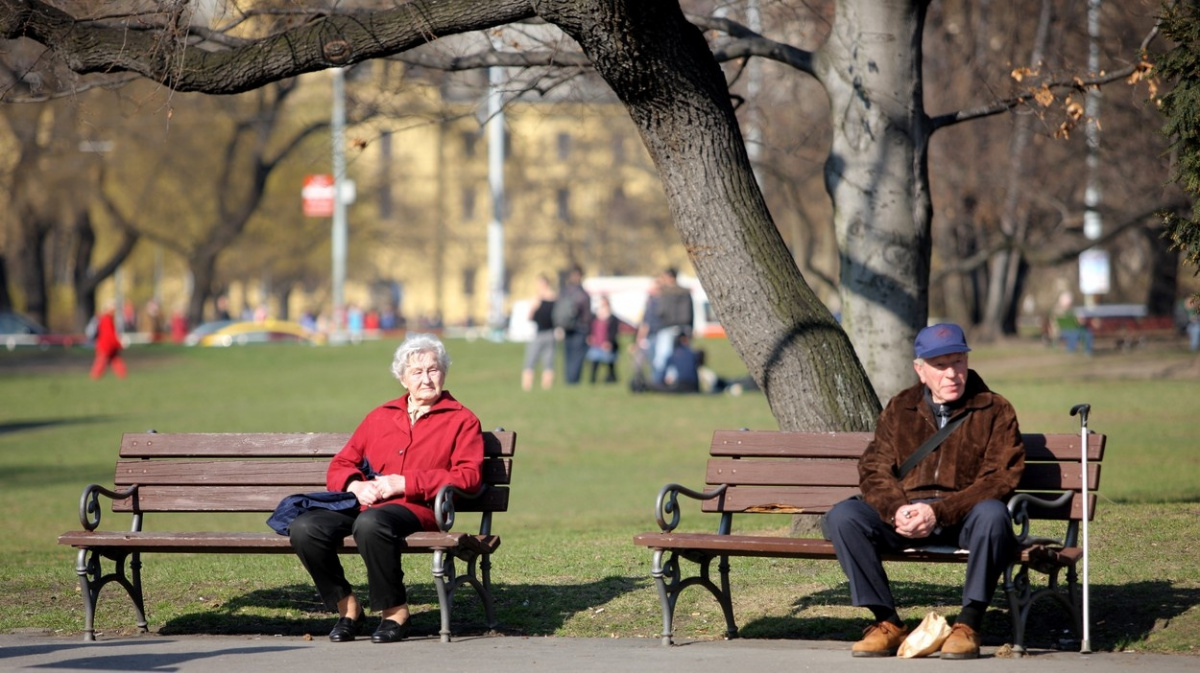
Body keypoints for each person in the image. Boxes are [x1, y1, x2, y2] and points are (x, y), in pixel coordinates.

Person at [822, 323, 1024, 659]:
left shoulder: (994, 409)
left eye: (958, 362)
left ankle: (968, 624)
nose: (951, 374)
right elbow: (874, 469)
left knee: (993, 514)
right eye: (940, 365)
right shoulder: (901, 407)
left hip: (963, 518)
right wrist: (896, 509)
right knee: (844, 516)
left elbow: (999, 478)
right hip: (906, 515)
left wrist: (939, 512)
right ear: (920, 370)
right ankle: (886, 622)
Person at [287, 334, 483, 644]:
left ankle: (395, 612)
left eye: (433, 369)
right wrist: (354, 486)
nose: (426, 378)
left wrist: (407, 483)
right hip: (364, 506)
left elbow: (469, 476)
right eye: (417, 372)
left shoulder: (462, 420)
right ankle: (347, 607)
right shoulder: (380, 416)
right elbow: (340, 464)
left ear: (443, 373)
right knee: (304, 527)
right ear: (403, 378)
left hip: (418, 509)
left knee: (371, 523)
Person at [651, 268, 693, 385]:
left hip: (667, 328)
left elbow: (660, 312)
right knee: (680, 356)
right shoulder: (685, 292)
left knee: (663, 357)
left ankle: (662, 380)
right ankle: (676, 380)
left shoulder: (666, 293)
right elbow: (689, 312)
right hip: (683, 328)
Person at [555, 265, 592, 385]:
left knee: (568, 355)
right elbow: (586, 314)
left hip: (566, 328)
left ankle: (568, 380)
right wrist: (589, 331)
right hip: (580, 328)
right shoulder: (582, 294)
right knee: (577, 356)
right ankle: (573, 381)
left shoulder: (564, 292)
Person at [522, 274, 558, 391]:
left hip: (542, 333)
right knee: (545, 361)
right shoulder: (555, 298)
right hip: (548, 333)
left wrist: (534, 306)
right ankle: (542, 388)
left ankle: (530, 387)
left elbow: (530, 316)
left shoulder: (540, 298)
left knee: (533, 360)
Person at [585, 295, 620, 384]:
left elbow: (614, 331)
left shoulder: (612, 318)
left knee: (609, 363)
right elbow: (591, 328)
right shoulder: (595, 317)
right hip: (596, 343)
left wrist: (609, 342)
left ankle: (611, 378)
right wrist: (590, 336)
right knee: (594, 362)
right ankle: (592, 380)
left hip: (607, 344)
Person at [89, 305, 127, 380]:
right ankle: (94, 378)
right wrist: (119, 344)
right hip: (105, 347)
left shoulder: (107, 319)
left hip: (108, 346)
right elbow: (109, 336)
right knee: (101, 363)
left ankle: (123, 376)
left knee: (116, 361)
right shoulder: (106, 320)